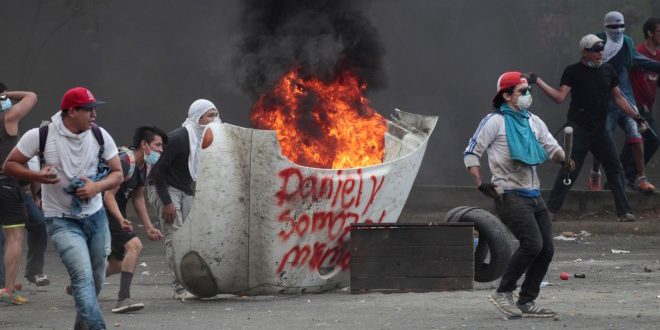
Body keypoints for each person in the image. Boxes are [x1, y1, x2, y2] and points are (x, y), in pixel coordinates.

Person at [3, 86, 123, 330]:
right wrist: (37, 174)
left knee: (97, 278)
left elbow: (118, 173)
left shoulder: (100, 135)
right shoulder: (42, 135)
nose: (94, 115)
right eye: (88, 110)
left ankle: (82, 325)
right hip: (61, 220)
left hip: (95, 216)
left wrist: (96, 187)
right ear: (71, 111)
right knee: (82, 276)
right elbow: (10, 165)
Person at [464, 71, 567, 318]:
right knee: (532, 244)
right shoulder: (494, 122)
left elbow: (552, 149)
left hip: (534, 195)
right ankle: (502, 292)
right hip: (509, 194)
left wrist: (564, 159)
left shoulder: (533, 121)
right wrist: (480, 182)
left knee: (546, 249)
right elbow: (471, 153)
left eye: (527, 90)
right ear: (507, 96)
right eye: (523, 91)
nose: (528, 95)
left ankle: (526, 301)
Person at [531, 34, 646, 222]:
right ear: (585, 52)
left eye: (601, 49)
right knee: (569, 169)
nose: (600, 53)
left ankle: (624, 211)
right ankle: (550, 210)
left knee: (615, 168)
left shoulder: (608, 71)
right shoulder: (573, 71)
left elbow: (618, 98)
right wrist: (538, 81)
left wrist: (637, 116)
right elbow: (560, 97)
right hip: (579, 129)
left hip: (600, 130)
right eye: (595, 50)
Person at [149, 99, 220, 300]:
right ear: (198, 118)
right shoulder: (179, 138)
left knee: (190, 237)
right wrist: (167, 202)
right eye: (209, 115)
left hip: (185, 189)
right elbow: (157, 171)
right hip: (164, 188)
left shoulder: (207, 139)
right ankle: (179, 287)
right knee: (176, 237)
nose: (214, 120)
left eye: (215, 114)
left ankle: (193, 284)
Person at [590, 11, 660, 192]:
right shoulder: (597, 41)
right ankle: (596, 174)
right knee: (603, 139)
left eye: (620, 26)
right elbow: (588, 66)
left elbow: (641, 61)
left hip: (627, 101)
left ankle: (639, 178)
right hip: (606, 102)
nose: (617, 30)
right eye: (613, 26)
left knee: (637, 138)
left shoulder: (627, 43)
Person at [101, 126, 166, 313]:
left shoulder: (144, 166)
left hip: (115, 213)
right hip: (104, 211)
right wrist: (121, 219)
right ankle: (123, 299)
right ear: (143, 144)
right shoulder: (125, 162)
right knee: (135, 246)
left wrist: (148, 226)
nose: (160, 150)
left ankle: (82, 284)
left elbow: (138, 197)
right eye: (157, 145)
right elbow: (108, 195)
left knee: (114, 264)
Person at [0, 84, 37, 305]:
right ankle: (8, 289)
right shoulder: (8, 118)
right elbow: (31, 95)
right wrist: (6, 95)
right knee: (14, 237)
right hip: (5, 184)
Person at [0, 155, 51, 289]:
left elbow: (33, 174)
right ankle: (4, 281)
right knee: (5, 238)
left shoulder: (31, 147)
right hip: (4, 188)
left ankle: (34, 271)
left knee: (38, 222)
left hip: (18, 191)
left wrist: (36, 196)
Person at [624, 17, 660, 186]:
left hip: (648, 105)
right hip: (635, 105)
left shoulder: (659, 55)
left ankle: (618, 178)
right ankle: (631, 176)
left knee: (634, 141)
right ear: (650, 33)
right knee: (652, 139)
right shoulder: (637, 52)